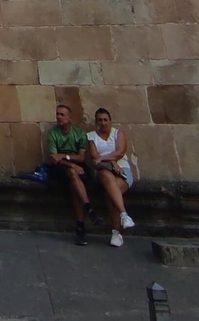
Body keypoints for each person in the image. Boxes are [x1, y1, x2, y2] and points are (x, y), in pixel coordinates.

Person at [85, 107, 136, 247]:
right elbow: (94, 159)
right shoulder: (91, 137)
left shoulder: (118, 134)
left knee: (110, 193)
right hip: (103, 171)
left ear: (110, 120)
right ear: (96, 122)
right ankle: (124, 214)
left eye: (105, 120)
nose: (103, 123)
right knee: (106, 177)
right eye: (100, 120)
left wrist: (107, 159)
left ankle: (115, 232)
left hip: (122, 170)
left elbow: (120, 152)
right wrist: (111, 162)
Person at [46, 103, 92, 245]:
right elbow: (54, 158)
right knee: (73, 173)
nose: (59, 117)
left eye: (62, 114)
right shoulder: (53, 133)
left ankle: (80, 227)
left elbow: (81, 157)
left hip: (76, 167)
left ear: (69, 117)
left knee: (75, 184)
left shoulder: (79, 133)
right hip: (62, 168)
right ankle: (88, 207)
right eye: (57, 114)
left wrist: (64, 156)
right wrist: (71, 163)